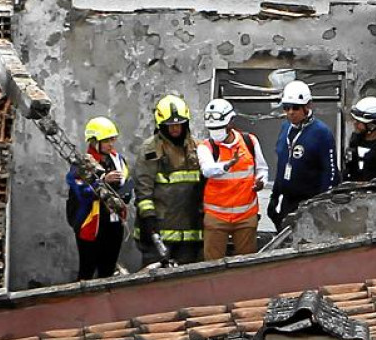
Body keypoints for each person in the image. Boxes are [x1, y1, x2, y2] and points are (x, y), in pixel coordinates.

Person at [134, 94, 204, 265]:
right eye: (170, 125)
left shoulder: (197, 148)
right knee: (155, 281)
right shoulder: (151, 150)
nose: (175, 129)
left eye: (178, 124)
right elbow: (144, 189)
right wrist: (148, 220)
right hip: (159, 230)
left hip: (190, 230)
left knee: (187, 281)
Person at [197, 98, 269, 260]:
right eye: (212, 128)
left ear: (230, 122)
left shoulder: (249, 141)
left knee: (246, 266)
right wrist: (227, 165)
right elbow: (207, 170)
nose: (216, 132)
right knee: (212, 266)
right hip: (216, 217)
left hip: (245, 216)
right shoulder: (206, 147)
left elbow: (262, 169)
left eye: (219, 127)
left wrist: (261, 181)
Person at [65, 117, 133, 280]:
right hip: (91, 223)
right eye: (107, 140)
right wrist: (103, 181)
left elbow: (129, 185)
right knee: (87, 270)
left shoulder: (118, 160)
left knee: (108, 269)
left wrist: (121, 196)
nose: (111, 144)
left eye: (112, 140)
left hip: (114, 222)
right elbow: (80, 191)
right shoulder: (82, 163)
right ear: (95, 142)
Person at [267, 80, 341, 230]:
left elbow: (331, 173)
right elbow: (282, 165)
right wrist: (274, 197)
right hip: (288, 201)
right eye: (286, 108)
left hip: (310, 202)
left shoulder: (322, 133)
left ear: (307, 106)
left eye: (295, 108)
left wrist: (321, 205)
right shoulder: (285, 128)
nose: (290, 112)